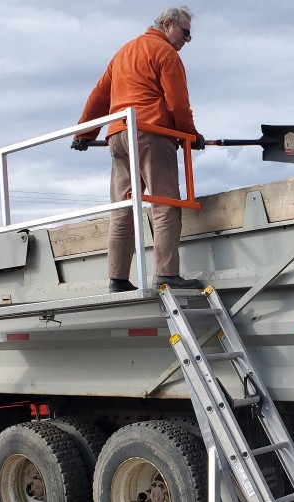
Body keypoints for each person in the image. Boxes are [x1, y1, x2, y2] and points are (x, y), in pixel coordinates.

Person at [72, 6, 204, 292]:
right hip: (151, 133)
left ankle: (117, 279)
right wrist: (190, 136)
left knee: (123, 207)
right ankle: (167, 274)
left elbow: (99, 94)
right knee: (166, 203)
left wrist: (84, 132)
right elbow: (178, 103)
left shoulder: (125, 51)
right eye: (185, 33)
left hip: (118, 136)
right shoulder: (165, 53)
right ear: (168, 25)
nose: (187, 40)